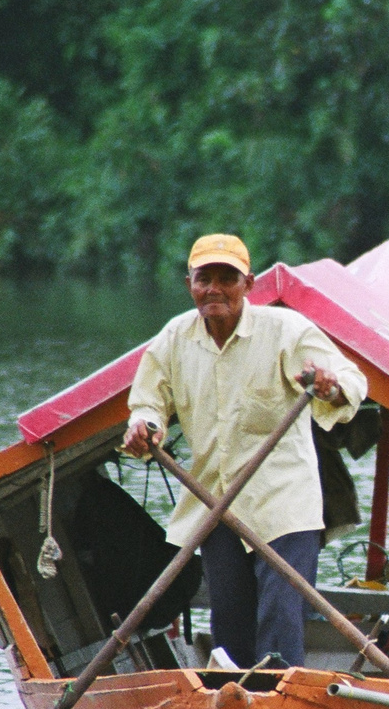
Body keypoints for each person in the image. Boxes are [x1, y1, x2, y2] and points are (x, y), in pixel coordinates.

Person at [123, 233, 368, 669]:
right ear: (189, 284)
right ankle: (234, 706)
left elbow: (352, 381)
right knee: (230, 628)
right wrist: (147, 428)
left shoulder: (286, 331)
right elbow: (147, 402)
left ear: (248, 284)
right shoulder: (174, 339)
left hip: (283, 504)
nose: (214, 288)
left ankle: (277, 700)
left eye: (227, 278)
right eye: (205, 279)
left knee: (279, 619)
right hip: (215, 503)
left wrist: (329, 386)